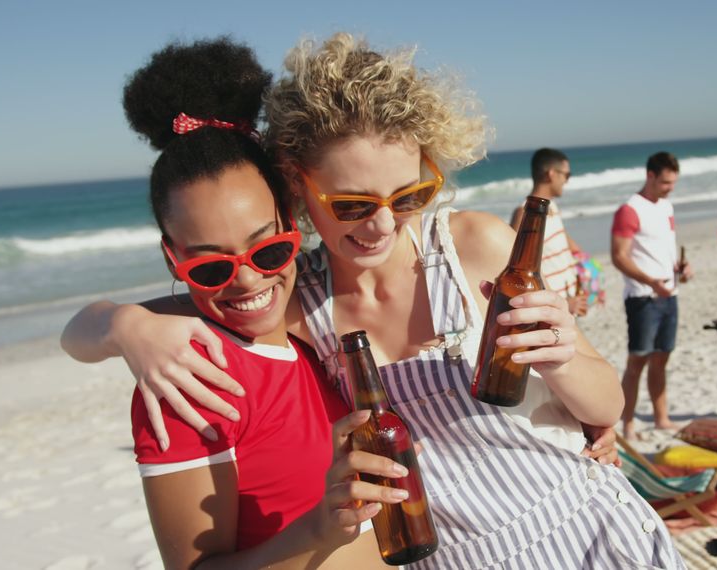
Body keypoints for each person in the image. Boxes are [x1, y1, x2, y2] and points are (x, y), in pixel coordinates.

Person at [64, 33, 685, 568]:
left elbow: (608, 401)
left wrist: (565, 361)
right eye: (354, 205)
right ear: (297, 185)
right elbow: (87, 331)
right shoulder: (294, 297)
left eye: (410, 195)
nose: (384, 225)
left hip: (586, 532)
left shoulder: (474, 246)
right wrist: (125, 327)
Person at [72, 38, 408, 569]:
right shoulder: (190, 380)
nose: (248, 279)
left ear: (293, 224)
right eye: (210, 267)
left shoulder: (314, 311)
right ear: (172, 260)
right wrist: (316, 531)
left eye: (269, 249)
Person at [611, 152, 692, 441]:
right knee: (637, 362)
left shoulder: (666, 206)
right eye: (666, 182)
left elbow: (663, 248)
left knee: (661, 359)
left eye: (673, 182)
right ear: (650, 176)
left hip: (669, 293)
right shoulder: (629, 210)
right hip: (642, 297)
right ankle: (628, 423)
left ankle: (661, 418)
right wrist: (650, 281)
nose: (670, 188)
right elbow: (619, 257)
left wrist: (680, 268)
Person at [510, 148, 589, 316]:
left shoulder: (551, 206)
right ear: (552, 174)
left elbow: (564, 240)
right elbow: (518, 271)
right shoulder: (526, 213)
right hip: (552, 308)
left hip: (569, 300)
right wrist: (562, 304)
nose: (566, 181)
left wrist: (590, 277)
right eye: (566, 175)